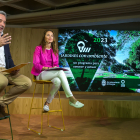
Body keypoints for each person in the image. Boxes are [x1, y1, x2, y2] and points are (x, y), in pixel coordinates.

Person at [31, 30, 84, 111]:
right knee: (60, 72)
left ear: (53, 38)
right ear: (44, 37)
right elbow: (36, 64)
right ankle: (71, 98)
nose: (50, 37)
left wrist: (55, 67)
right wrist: (48, 68)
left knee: (58, 82)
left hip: (51, 73)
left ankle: (47, 104)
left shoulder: (55, 50)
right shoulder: (38, 48)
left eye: (52, 36)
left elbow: (56, 64)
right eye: (48, 35)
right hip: (40, 74)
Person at [0, 11, 32, 120]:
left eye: (4, 22)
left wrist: (14, 68)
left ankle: (1, 104)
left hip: (5, 70)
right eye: (0, 21)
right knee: (2, 81)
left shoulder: (4, 37)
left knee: (26, 82)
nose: (3, 24)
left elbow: (8, 58)